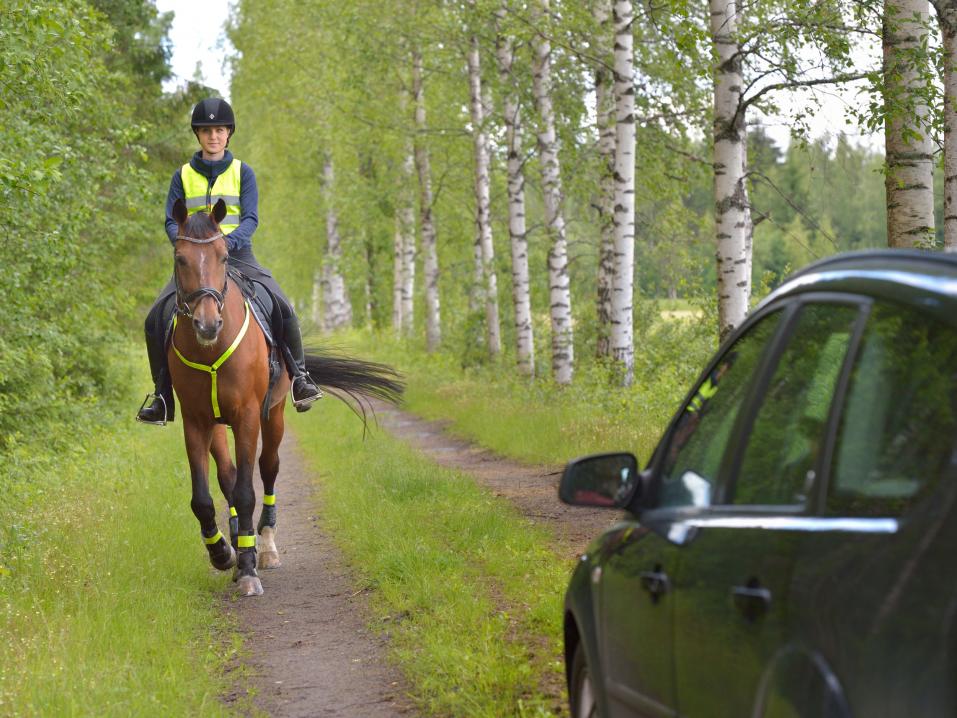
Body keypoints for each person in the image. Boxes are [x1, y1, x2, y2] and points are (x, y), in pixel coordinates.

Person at [137, 97, 321, 424]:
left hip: (238, 255)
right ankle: (162, 395)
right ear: (198, 135)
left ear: (228, 133)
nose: (213, 136)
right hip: (194, 263)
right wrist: (187, 246)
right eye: (207, 130)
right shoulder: (182, 175)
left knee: (282, 305)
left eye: (219, 130)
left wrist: (225, 243)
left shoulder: (242, 172)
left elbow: (251, 218)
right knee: (155, 318)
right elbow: (170, 219)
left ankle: (301, 378)